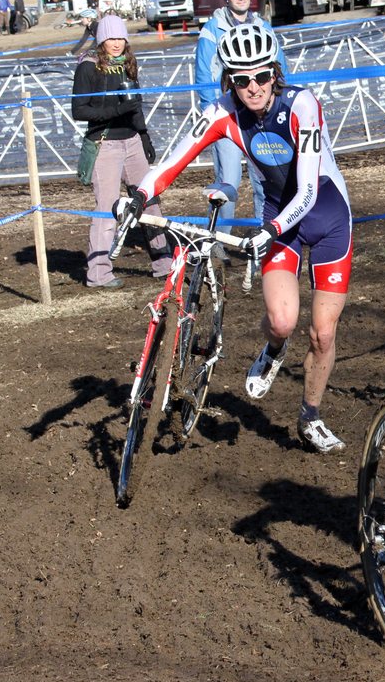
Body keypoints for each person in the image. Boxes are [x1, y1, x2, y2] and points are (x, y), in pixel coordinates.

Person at [116, 25, 352, 454]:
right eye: (241, 80)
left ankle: (310, 414)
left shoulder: (302, 104)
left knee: (321, 334)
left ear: (275, 73)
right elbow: (173, 161)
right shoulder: (223, 113)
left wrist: (273, 228)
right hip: (277, 221)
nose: (253, 88)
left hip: (326, 216)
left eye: (261, 76)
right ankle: (274, 347)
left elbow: (309, 190)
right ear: (230, 81)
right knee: (282, 321)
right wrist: (139, 196)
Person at [71, 13, 170, 289]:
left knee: (149, 202)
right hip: (105, 144)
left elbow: (134, 106)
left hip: (133, 142)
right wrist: (116, 110)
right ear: (102, 39)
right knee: (107, 208)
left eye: (120, 38)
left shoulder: (127, 63)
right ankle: (99, 273)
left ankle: (163, 263)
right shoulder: (88, 67)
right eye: (111, 38)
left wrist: (145, 135)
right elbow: (79, 110)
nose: (116, 43)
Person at [194, 0, 286, 231]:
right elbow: (204, 75)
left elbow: (280, 68)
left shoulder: (264, 27)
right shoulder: (212, 30)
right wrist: (213, 117)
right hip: (228, 115)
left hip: (261, 115)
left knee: (265, 179)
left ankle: (266, 236)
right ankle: (218, 241)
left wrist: (281, 105)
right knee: (228, 182)